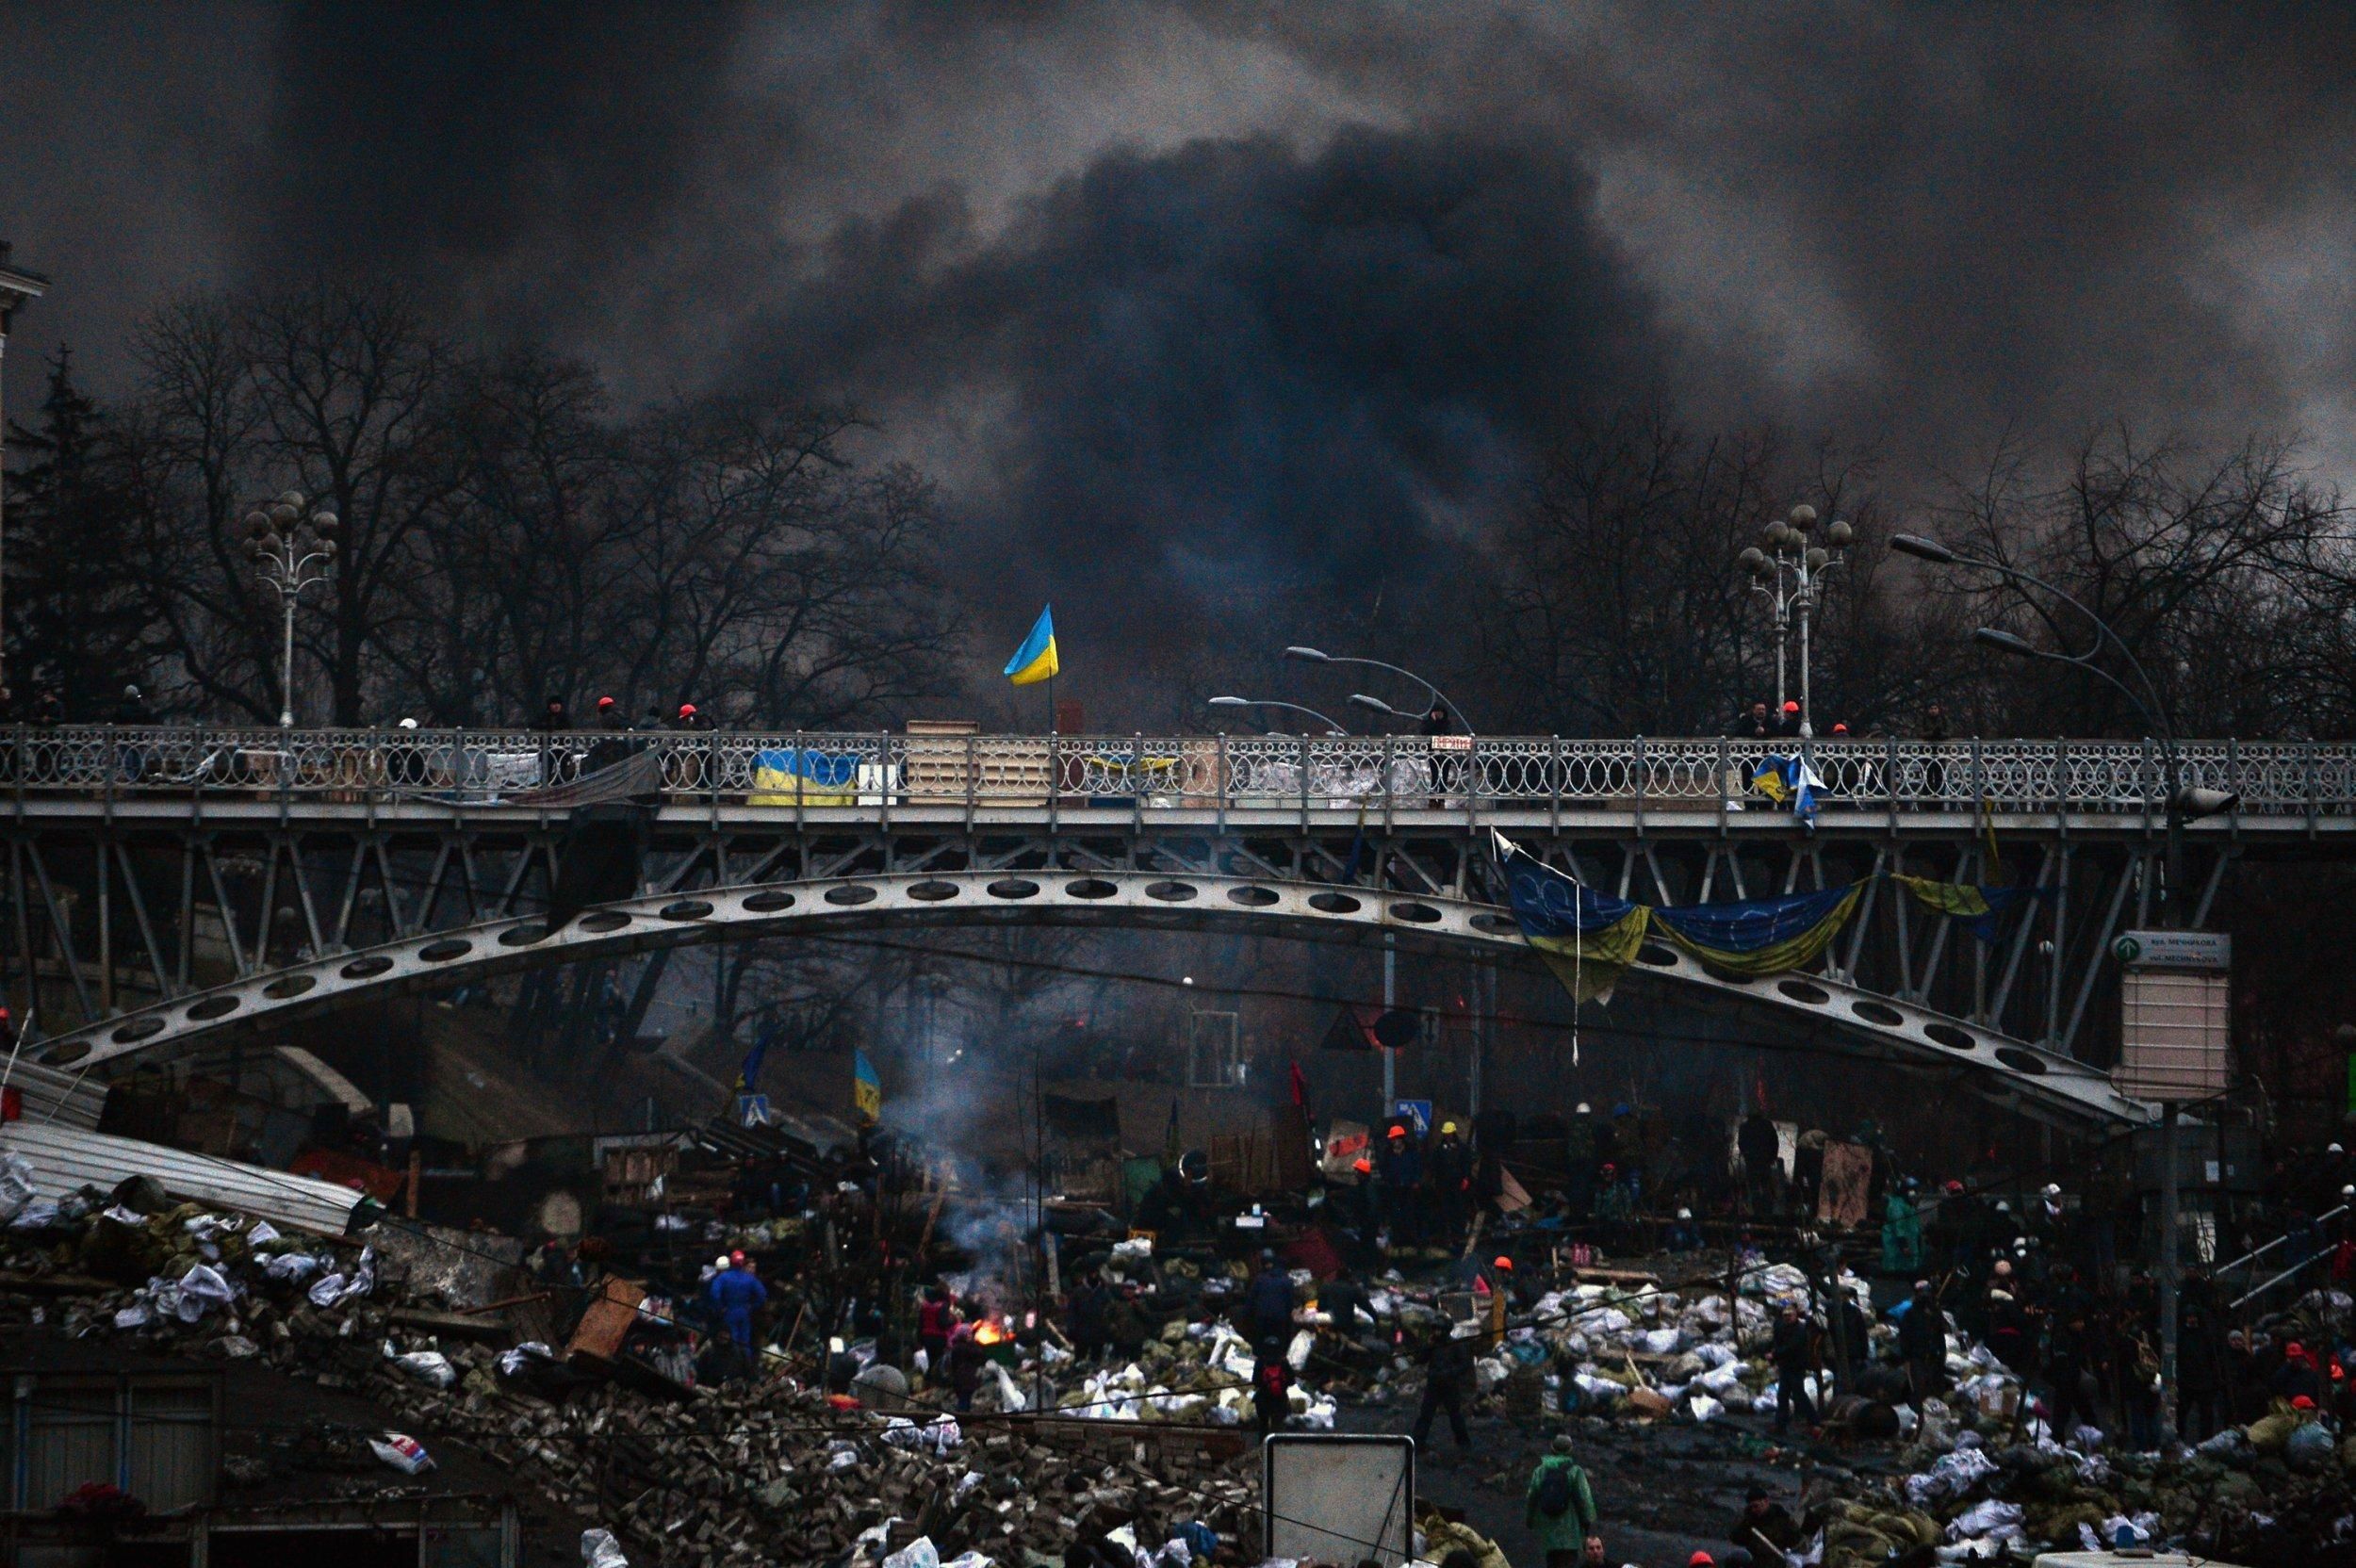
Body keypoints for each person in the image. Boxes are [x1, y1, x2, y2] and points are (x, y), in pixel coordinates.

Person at [1523, 1434, 1598, 1568]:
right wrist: (1588, 1522)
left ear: (1552, 1449)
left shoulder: (1540, 1471)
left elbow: (1531, 1497)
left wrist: (1530, 1520)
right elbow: (1585, 1499)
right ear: (1570, 1450)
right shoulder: (1575, 1472)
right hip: (1570, 1533)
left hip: (1548, 1532)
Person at [1413, 1324, 1476, 1451]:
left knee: (1455, 1415)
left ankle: (1464, 1443)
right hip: (1434, 1384)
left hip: (1449, 1385)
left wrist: (1449, 1373)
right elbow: (1420, 1359)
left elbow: (1464, 1365)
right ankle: (1418, 1443)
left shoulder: (1456, 1345)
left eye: (1439, 1329)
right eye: (1435, 1329)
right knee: (1426, 1414)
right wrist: (1428, 1346)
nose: (1436, 1332)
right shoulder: (1433, 1345)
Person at [707, 1250, 768, 1378]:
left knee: (731, 1341)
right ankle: (748, 1370)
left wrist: (720, 1308)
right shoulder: (749, 1278)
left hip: (729, 1311)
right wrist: (752, 1306)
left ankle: (732, 1371)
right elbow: (762, 1294)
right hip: (744, 1312)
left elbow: (714, 1294)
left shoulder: (723, 1278)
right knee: (745, 1342)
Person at [1771, 1303, 1818, 1433]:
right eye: (1785, 1316)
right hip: (1786, 1366)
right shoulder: (1783, 1328)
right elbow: (1778, 1342)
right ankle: (1780, 1425)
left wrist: (1775, 1354)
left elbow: (1792, 1347)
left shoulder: (1800, 1330)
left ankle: (1814, 1421)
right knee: (1783, 1396)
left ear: (1795, 1315)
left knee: (1799, 1395)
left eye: (1790, 1315)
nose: (1787, 1318)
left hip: (1796, 1367)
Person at [1898, 1280, 1945, 1406]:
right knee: (1919, 1389)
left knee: (1932, 1388)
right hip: (1917, 1357)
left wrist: (1942, 1354)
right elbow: (1905, 1337)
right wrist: (1906, 1357)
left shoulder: (1935, 1313)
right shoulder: (1911, 1313)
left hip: (1932, 1356)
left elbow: (1940, 1335)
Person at [1729, 1488, 1803, 1563]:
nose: (1753, 1510)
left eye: (1756, 1506)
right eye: (1751, 1507)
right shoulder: (1749, 1519)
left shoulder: (1781, 1517)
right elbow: (1735, 1538)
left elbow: (1796, 1539)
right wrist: (1747, 1524)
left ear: (1766, 1501)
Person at [1246, 1249, 1296, 1348]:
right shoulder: (1287, 1281)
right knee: (1281, 1346)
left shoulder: (1259, 1279)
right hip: (1280, 1320)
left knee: (1259, 1347)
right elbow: (1290, 1304)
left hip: (1262, 1319)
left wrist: (1248, 1315)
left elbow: (1251, 1301)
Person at [1739, 1109, 1781, 1217]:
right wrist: (1773, 1157)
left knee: (1754, 1187)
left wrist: (1746, 1155)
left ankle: (1756, 1211)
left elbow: (1741, 1143)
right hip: (1764, 1161)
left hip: (1752, 1161)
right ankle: (1767, 1211)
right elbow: (1774, 1141)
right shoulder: (1767, 1125)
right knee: (1765, 1185)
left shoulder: (1745, 1126)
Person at [1252, 1342, 1293, 1433]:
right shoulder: (1283, 1362)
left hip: (1263, 1399)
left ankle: (1263, 1445)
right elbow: (1292, 1381)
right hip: (1280, 1399)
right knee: (1278, 1426)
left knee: (1263, 1425)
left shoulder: (1260, 1362)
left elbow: (1255, 1382)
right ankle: (1277, 1445)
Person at [917, 1284, 956, 1377]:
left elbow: (920, 1323)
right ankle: (935, 1381)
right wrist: (953, 1321)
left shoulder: (925, 1305)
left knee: (931, 1360)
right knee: (939, 1363)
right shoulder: (943, 1305)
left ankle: (928, 1379)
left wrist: (919, 1339)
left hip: (926, 1337)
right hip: (939, 1338)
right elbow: (942, 1323)